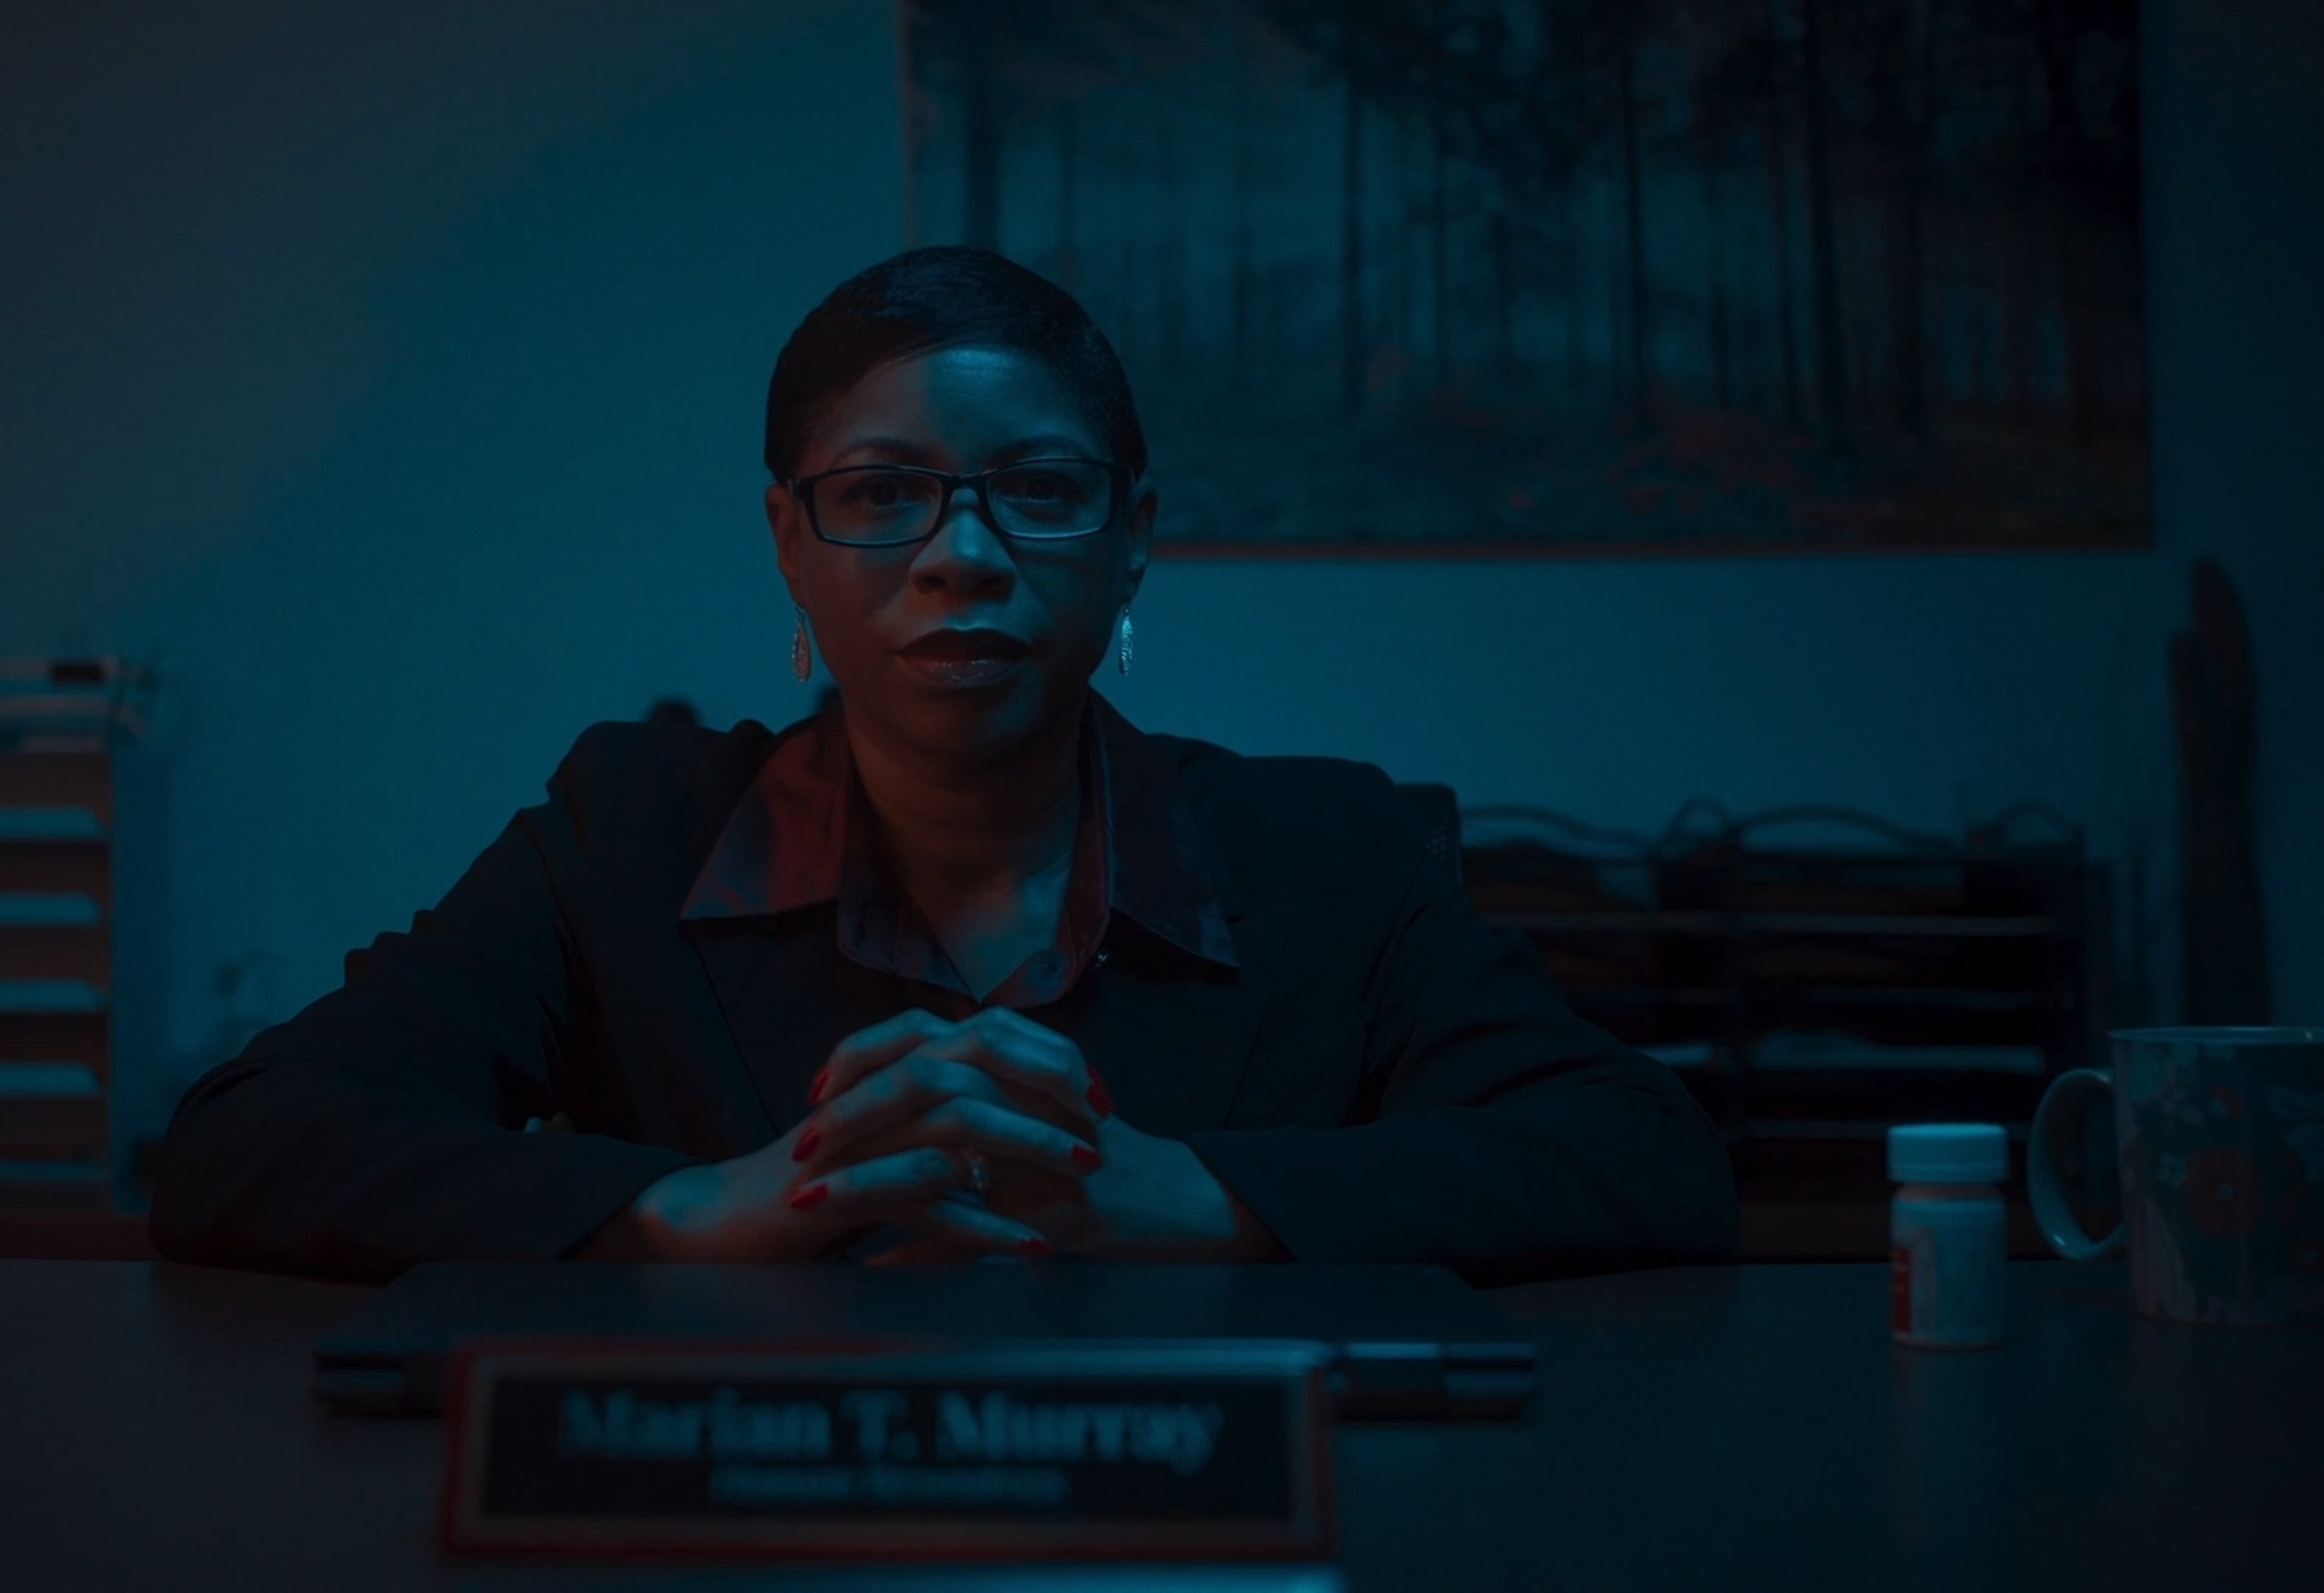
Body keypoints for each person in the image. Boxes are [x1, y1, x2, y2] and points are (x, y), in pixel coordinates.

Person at [150, 246, 1736, 1282]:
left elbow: (1642, 1158)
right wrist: (695, 1210)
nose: (961, 555)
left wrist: (1204, 1202)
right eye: (881, 493)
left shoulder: (1331, 850)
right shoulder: (627, 832)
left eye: (1037, 490)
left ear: (1131, 541)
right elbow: (244, 1138)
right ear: (790, 542)